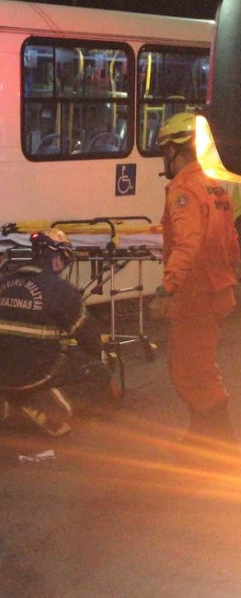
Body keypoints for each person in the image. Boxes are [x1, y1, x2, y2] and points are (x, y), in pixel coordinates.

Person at [0, 228, 117, 436]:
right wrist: (100, 355)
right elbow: (89, 338)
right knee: (98, 371)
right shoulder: (59, 289)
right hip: (35, 372)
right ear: (58, 259)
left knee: (29, 365)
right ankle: (51, 409)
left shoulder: (1, 284)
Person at [150, 111, 241, 464]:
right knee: (197, 368)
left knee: (191, 373)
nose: (164, 158)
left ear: (176, 149)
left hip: (196, 295)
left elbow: (187, 244)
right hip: (216, 290)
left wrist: (167, 289)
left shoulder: (185, 189)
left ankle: (218, 448)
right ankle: (201, 440)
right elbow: (231, 242)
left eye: (165, 150)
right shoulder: (215, 186)